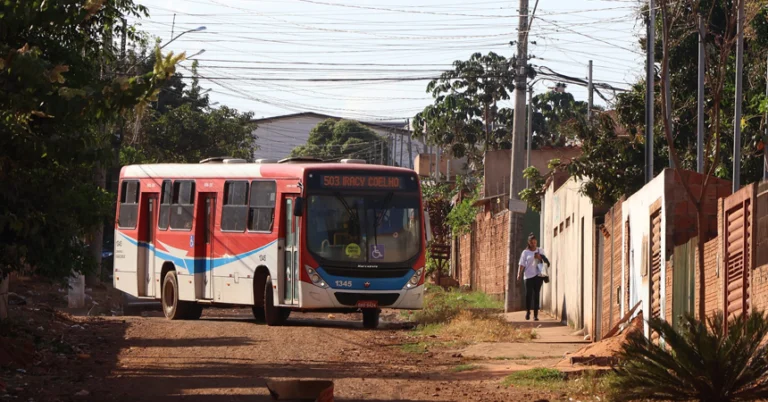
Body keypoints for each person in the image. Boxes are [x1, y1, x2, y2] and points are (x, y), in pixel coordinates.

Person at [516, 233, 549, 321]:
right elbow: (522, 264)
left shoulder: (540, 250)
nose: (534, 244)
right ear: (529, 242)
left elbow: (546, 262)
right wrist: (519, 274)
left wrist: (540, 257)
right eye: (532, 242)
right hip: (528, 276)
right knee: (528, 295)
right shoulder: (525, 252)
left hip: (538, 275)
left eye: (535, 242)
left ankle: (535, 315)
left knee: (536, 294)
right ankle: (527, 311)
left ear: (536, 242)